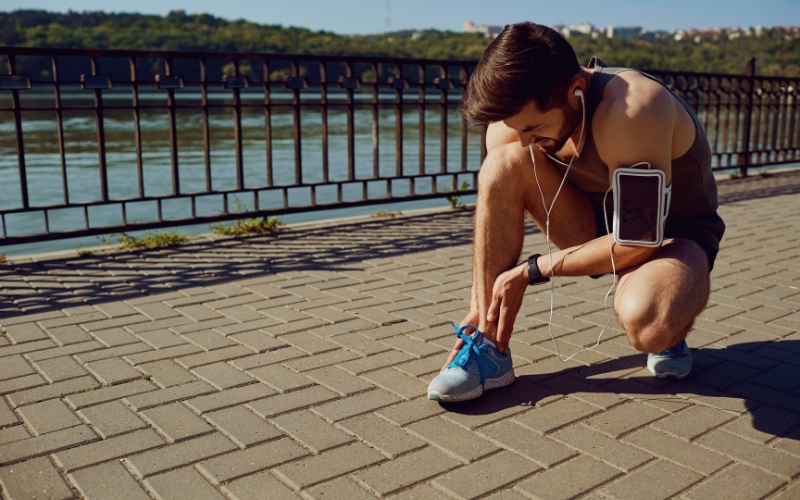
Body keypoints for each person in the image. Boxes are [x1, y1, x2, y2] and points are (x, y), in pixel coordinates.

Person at [427, 22, 725, 402]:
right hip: (596, 223)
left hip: (670, 234)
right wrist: (480, 305)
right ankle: (488, 346)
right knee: (501, 163)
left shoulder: (632, 109)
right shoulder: (515, 126)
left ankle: (671, 330)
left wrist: (533, 269)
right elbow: (496, 206)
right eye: (518, 128)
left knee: (650, 322)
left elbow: (638, 240)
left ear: (576, 90)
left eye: (535, 127)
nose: (525, 140)